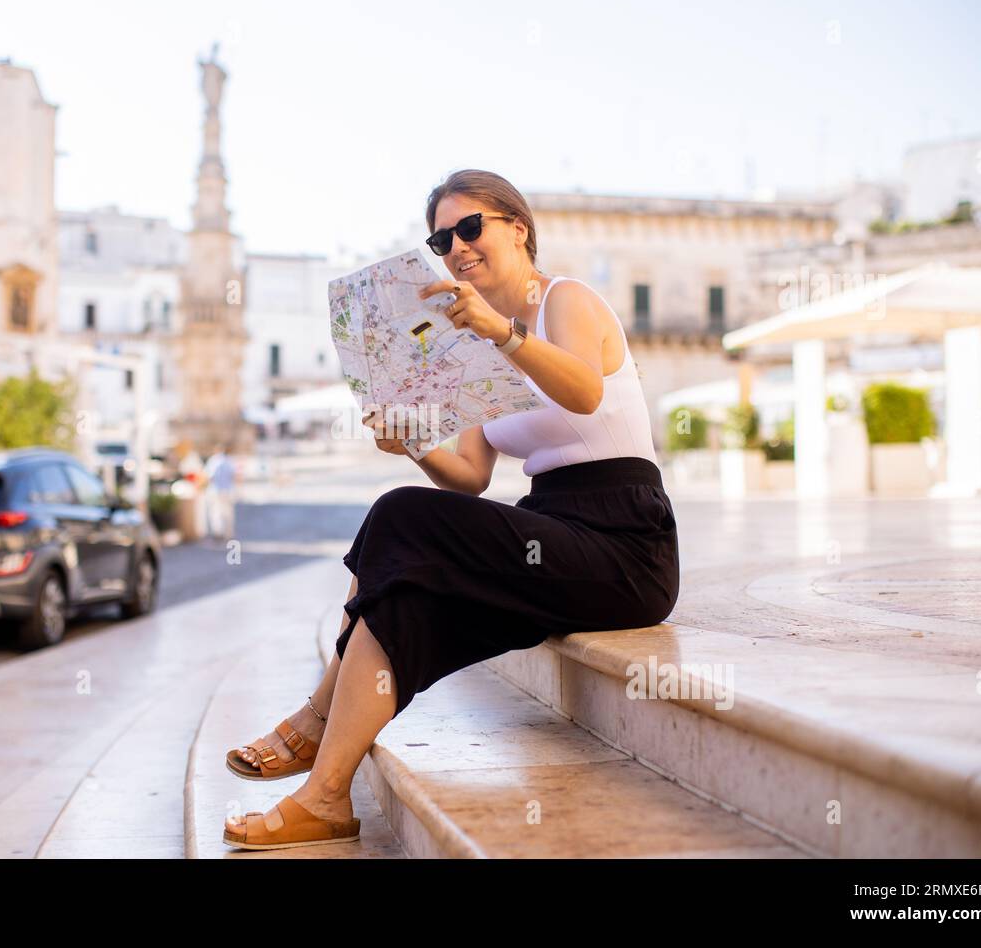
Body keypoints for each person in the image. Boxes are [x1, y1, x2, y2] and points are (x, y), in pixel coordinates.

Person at [222, 168, 680, 850]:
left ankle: (315, 717)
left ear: (517, 229)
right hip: (554, 531)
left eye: (471, 227)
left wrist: (504, 333)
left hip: (626, 543)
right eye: (442, 239)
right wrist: (412, 444)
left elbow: (584, 392)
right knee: (402, 601)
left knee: (399, 517)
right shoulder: (471, 347)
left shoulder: (565, 303)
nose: (457, 247)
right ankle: (325, 796)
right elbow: (467, 478)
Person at [202, 444, 237, 541]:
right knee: (228, 513)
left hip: (215, 490)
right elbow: (234, 475)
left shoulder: (213, 461)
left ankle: (218, 532)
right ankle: (228, 533)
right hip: (227, 490)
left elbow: (209, 476)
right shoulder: (229, 460)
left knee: (215, 512)